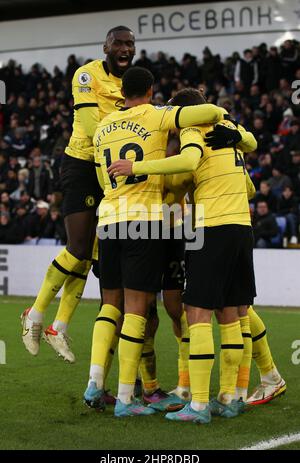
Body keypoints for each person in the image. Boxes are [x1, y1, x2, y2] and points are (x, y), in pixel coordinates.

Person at [84, 66, 225, 417]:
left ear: (121, 93)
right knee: (140, 310)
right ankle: (129, 399)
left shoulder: (101, 128)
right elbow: (209, 112)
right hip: (146, 222)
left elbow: (104, 176)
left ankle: (95, 382)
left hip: (110, 219)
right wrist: (218, 117)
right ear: (150, 91)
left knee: (111, 306)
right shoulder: (158, 116)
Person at [21, 26, 136, 364]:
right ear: (106, 46)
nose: (125, 48)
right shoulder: (86, 75)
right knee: (79, 248)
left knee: (91, 256)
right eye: (119, 43)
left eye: (130, 43)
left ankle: (58, 326)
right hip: (83, 166)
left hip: (110, 171)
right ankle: (35, 312)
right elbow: (91, 126)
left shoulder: (131, 85)